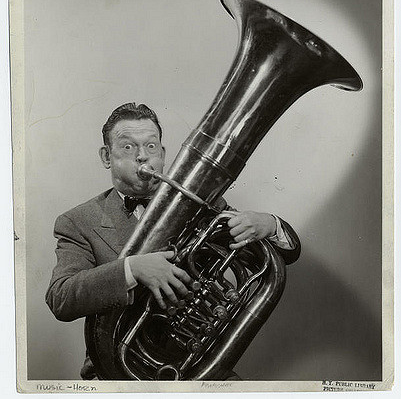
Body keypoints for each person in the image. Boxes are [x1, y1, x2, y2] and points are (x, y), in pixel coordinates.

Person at [46, 103, 301, 380]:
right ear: (107, 156)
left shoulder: (199, 204)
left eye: (151, 146)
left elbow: (284, 254)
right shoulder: (78, 221)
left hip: (196, 363)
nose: (143, 156)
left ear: (163, 154)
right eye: (128, 147)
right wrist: (133, 269)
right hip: (119, 373)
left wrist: (269, 225)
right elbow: (61, 298)